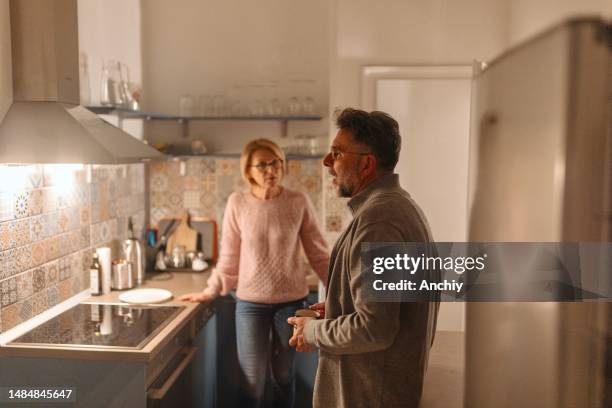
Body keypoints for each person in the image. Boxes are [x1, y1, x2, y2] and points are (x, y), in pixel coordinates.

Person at [288, 108, 440, 408]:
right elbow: (383, 307)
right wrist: (335, 306)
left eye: (337, 153)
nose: (327, 162)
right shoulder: (396, 206)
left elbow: (374, 328)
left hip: (369, 396)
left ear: (367, 164)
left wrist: (313, 331)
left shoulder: (379, 220)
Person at [180, 138, 329, 408]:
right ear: (248, 170)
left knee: (283, 376)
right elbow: (229, 256)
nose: (271, 170)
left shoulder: (298, 201)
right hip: (250, 305)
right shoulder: (237, 203)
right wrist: (210, 290)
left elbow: (318, 253)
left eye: (276, 163)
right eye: (262, 165)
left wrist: (342, 289)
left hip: (291, 304)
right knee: (252, 380)